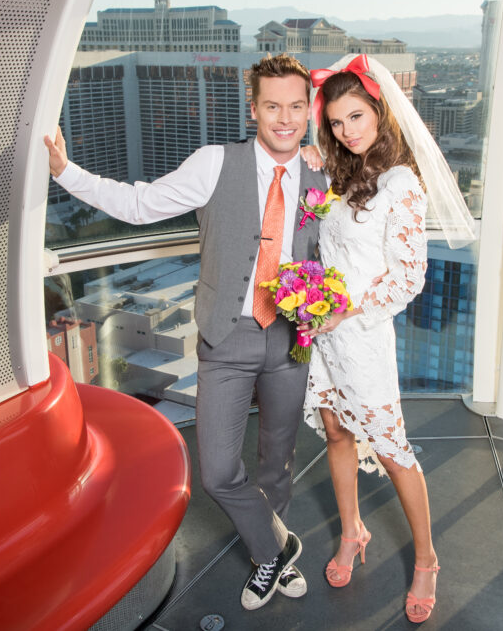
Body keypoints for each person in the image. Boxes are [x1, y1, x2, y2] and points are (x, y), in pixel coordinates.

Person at [44, 55, 329, 612]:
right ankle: (280, 545)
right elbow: (138, 204)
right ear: (254, 109)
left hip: (292, 340)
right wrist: (64, 172)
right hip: (227, 337)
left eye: (297, 106)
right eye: (273, 106)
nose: (285, 119)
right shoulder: (214, 163)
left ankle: (266, 557)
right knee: (220, 472)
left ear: (309, 111)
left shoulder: (322, 172)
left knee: (277, 461)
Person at [298, 54, 474, 624]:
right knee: (334, 431)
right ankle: (353, 531)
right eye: (337, 122)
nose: (347, 131)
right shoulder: (338, 172)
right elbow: (327, 241)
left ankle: (426, 559)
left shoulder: (401, 183)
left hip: (362, 334)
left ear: (379, 110)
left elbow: (407, 278)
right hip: (324, 334)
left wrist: (342, 311)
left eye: (356, 117)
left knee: (395, 452)